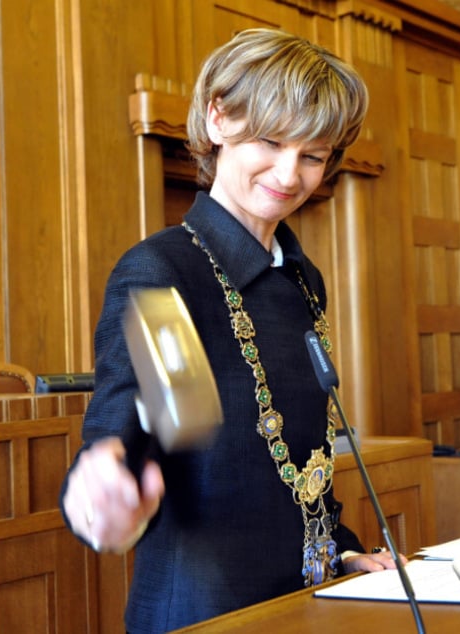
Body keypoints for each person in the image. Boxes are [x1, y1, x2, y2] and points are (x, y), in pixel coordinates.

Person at [60, 28, 404, 632]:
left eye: (314, 155)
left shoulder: (302, 278)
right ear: (218, 119)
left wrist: (344, 547)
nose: (289, 173)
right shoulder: (165, 271)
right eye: (270, 141)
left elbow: (298, 460)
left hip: (304, 598)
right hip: (205, 610)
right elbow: (124, 434)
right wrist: (105, 488)